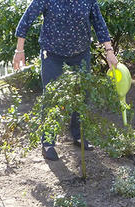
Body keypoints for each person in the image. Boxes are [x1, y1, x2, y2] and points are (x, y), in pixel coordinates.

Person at [13, 0, 119, 161]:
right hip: (52, 53)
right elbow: (27, 19)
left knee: (83, 94)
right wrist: (19, 50)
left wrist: (109, 50)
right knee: (51, 96)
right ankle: (48, 143)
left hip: (80, 54)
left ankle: (78, 136)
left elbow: (99, 23)